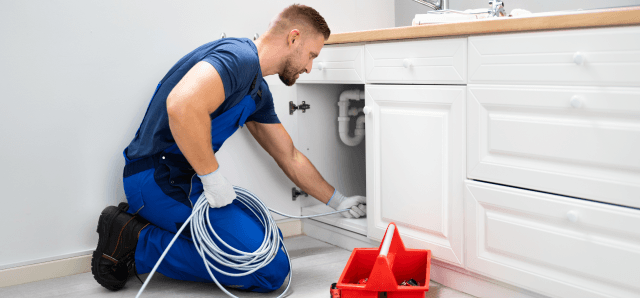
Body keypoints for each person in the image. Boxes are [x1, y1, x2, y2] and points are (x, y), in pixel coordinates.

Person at [91, 4, 367, 293]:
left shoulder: (257, 90)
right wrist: (213, 179)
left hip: (187, 183)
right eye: (312, 55)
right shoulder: (237, 57)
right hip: (156, 179)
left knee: (269, 244)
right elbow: (182, 106)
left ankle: (154, 231)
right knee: (269, 271)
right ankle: (136, 242)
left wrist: (338, 201)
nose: (309, 67)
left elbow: (290, 156)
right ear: (293, 38)